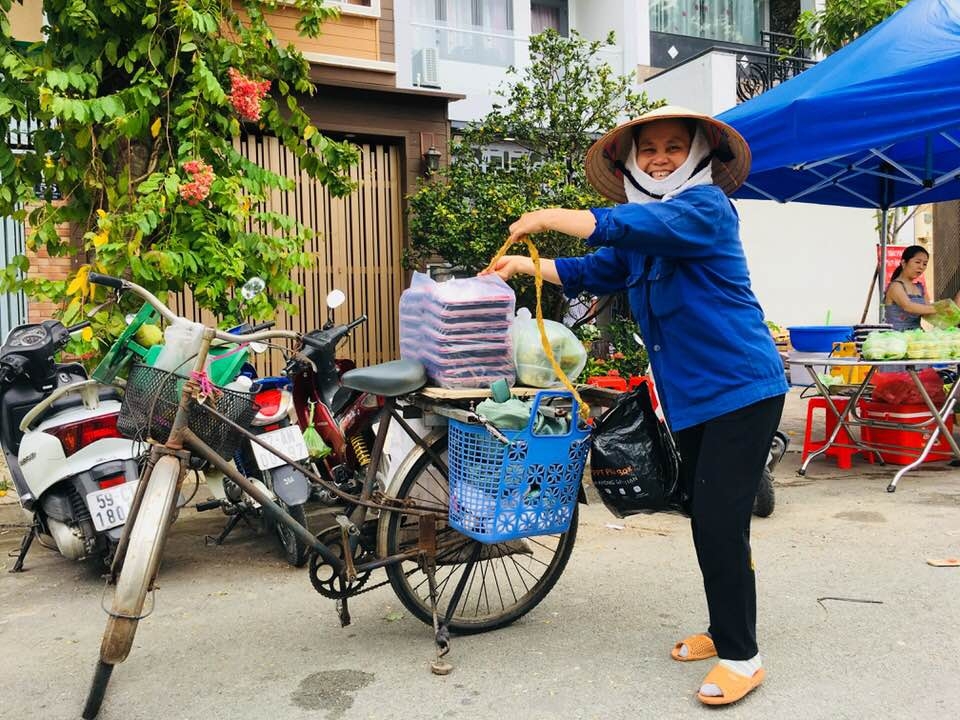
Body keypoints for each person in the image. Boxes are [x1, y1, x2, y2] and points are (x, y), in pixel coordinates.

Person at [482, 105, 788, 706]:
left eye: (675, 147)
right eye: (648, 150)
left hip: (743, 389)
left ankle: (742, 656)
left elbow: (614, 230)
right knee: (707, 515)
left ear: (699, 155)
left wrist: (546, 216)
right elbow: (591, 268)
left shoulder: (705, 210)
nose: (660, 158)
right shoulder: (646, 230)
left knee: (719, 519)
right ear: (631, 162)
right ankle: (725, 627)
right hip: (694, 399)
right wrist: (524, 264)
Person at [883, 245, 937, 331]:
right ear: (904, 263)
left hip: (917, 335)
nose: (921, 267)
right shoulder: (896, 286)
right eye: (917, 262)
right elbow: (908, 306)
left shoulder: (920, 288)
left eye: (925, 264)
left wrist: (949, 315)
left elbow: (927, 311)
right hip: (896, 337)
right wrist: (938, 309)